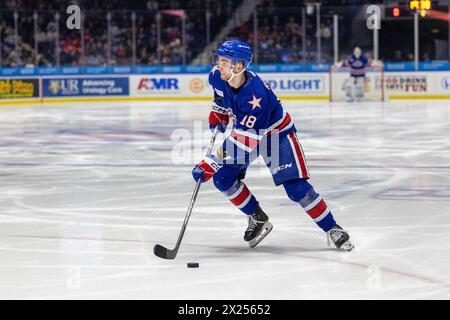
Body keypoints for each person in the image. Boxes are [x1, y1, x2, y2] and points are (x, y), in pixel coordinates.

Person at [192, 40, 353, 251]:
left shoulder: (255, 95)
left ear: (239, 66)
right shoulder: (216, 76)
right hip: (248, 133)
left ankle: (332, 228)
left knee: (297, 189)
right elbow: (221, 96)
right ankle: (257, 218)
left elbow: (244, 141)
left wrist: (212, 160)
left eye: (224, 62)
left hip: (277, 135)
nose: (218, 65)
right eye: (219, 60)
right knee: (223, 178)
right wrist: (219, 110)